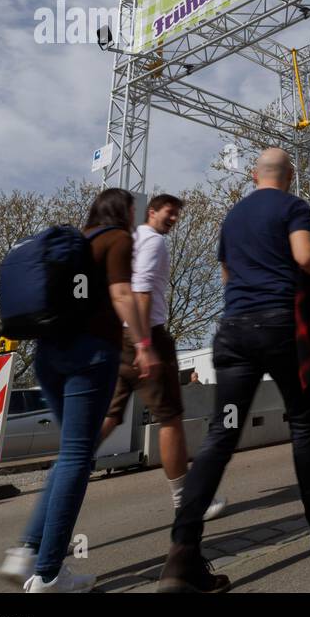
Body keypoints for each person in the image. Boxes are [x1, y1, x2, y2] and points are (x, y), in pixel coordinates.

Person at [157, 148, 310, 593]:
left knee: (221, 435)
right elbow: (304, 257)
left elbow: (227, 278)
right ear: (289, 176)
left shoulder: (232, 219)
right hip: (281, 326)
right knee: (303, 420)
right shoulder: (292, 206)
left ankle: (181, 557)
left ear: (254, 176)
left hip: (233, 332)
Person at [0, 188, 149, 592]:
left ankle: (26, 551)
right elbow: (121, 294)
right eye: (134, 210)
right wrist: (144, 345)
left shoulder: (75, 243)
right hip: (91, 356)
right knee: (78, 458)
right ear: (123, 211)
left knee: (70, 456)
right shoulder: (117, 239)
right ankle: (47, 575)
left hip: (48, 355)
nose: (136, 217)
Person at [96, 194, 226, 523]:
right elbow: (139, 292)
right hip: (146, 334)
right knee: (170, 418)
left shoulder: (130, 240)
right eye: (169, 213)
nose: (173, 219)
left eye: (177, 215)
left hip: (117, 336)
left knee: (109, 417)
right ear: (151, 211)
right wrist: (144, 344)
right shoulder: (153, 243)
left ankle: (65, 479)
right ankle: (186, 501)